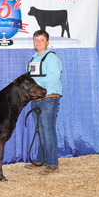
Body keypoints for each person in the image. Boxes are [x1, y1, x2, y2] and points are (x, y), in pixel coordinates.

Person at [24, 30, 62, 175]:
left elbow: (54, 77)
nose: (38, 42)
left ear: (47, 42)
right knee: (40, 131)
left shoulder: (51, 58)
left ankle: (53, 164)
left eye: (41, 40)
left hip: (49, 99)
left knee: (48, 130)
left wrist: (34, 85)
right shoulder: (33, 59)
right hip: (36, 100)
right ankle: (40, 160)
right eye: (35, 40)